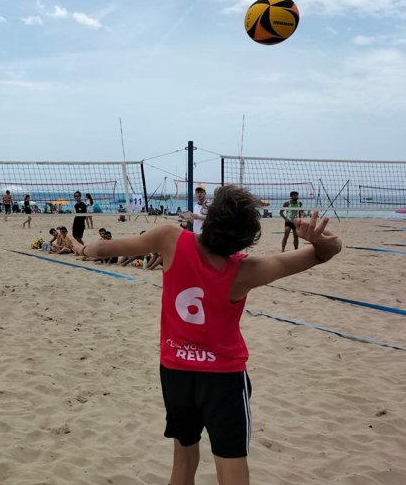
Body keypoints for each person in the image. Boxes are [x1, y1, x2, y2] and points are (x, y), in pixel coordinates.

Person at [69, 185, 341, 485]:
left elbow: (105, 248)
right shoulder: (248, 270)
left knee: (183, 461)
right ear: (246, 238)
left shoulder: (170, 239)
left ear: (209, 218)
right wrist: (322, 239)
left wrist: (81, 248)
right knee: (231, 463)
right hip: (223, 378)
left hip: (176, 372)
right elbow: (322, 255)